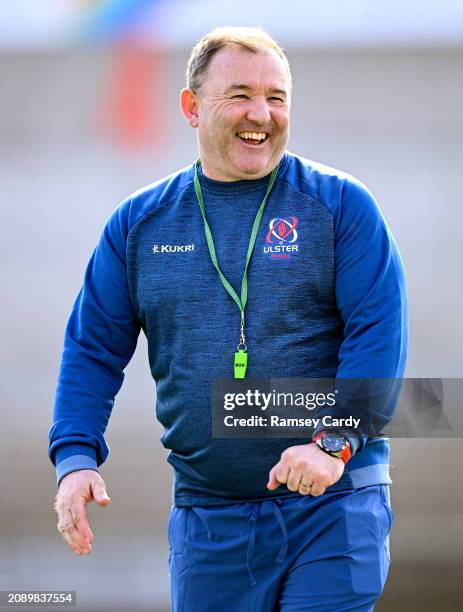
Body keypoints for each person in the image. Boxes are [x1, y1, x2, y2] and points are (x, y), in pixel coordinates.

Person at [49, 26, 408, 611]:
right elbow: (92, 350)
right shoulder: (139, 224)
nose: (261, 114)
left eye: (277, 97)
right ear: (192, 107)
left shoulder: (342, 205)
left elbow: (379, 342)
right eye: (239, 94)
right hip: (209, 517)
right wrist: (75, 459)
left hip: (334, 506)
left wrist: (333, 443)